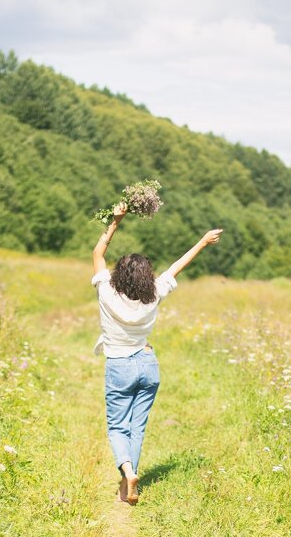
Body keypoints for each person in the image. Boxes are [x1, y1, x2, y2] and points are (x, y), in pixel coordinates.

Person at [91, 202, 223, 505]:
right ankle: (129, 482)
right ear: (146, 278)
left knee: (117, 425)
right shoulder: (155, 293)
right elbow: (178, 266)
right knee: (137, 425)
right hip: (148, 364)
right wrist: (203, 241)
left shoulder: (107, 291)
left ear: (119, 275)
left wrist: (115, 222)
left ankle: (127, 470)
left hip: (120, 365)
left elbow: (98, 254)